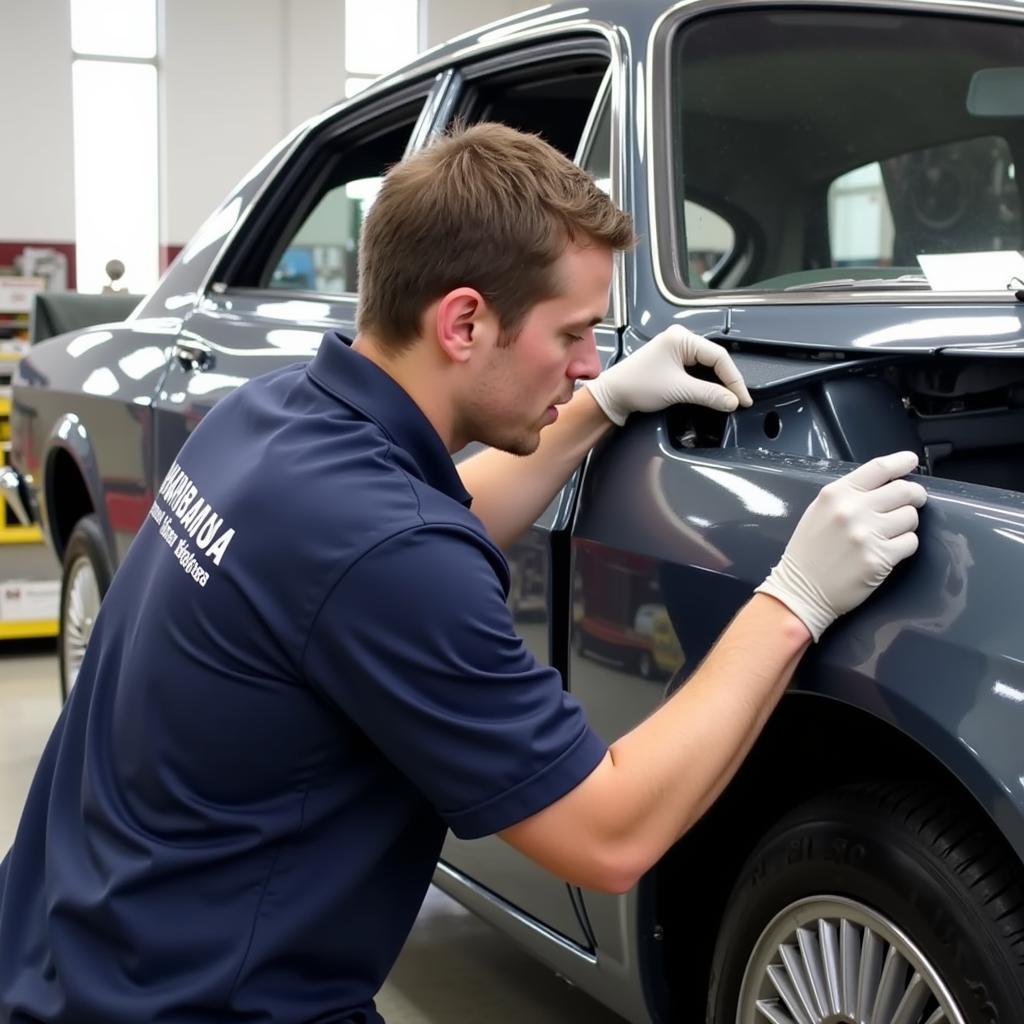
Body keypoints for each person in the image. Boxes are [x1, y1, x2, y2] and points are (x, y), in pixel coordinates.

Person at [0, 123, 926, 1024]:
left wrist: (597, 406)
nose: (588, 357)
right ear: (464, 320)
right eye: (571, 334)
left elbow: (410, 537)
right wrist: (793, 599)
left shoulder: (269, 417)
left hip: (65, 950)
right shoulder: (384, 551)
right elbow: (607, 835)